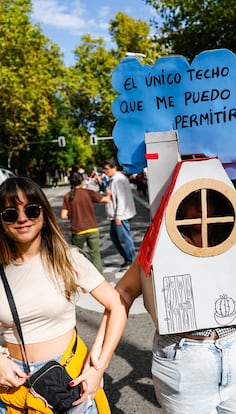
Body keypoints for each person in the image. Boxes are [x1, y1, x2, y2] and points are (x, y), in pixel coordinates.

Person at [91, 188, 236, 413]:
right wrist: (99, 356)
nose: (200, 207)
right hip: (185, 361)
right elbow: (122, 293)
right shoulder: (161, 242)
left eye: (206, 197)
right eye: (192, 197)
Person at [0, 176, 127, 413]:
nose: (21, 218)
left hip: (68, 379)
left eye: (31, 209)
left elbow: (117, 306)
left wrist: (98, 364)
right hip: (13, 385)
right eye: (10, 213)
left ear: (44, 213)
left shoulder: (68, 259)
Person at [61, 172, 111, 273]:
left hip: (78, 231)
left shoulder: (67, 196)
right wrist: (109, 194)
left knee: (77, 256)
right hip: (92, 228)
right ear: (81, 181)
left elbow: (63, 216)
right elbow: (106, 200)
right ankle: (99, 278)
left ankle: (81, 276)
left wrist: (72, 215)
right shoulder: (88, 192)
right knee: (95, 255)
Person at [103, 158, 137, 270]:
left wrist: (118, 216)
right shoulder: (114, 179)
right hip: (117, 215)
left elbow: (121, 199)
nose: (105, 171)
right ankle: (128, 260)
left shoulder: (118, 180)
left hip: (120, 216)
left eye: (107, 169)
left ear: (114, 168)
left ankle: (132, 261)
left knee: (124, 239)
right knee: (115, 238)